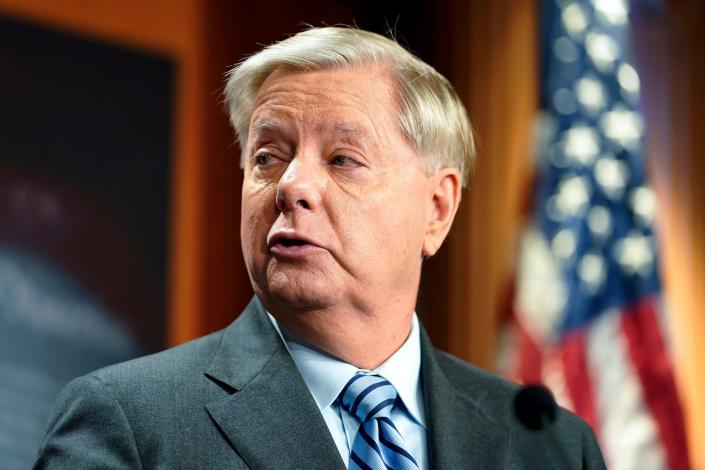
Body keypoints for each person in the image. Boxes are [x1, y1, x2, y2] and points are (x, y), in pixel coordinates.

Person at [34, 26, 606, 469]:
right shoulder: (127, 423)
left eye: (341, 160)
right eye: (268, 157)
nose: (291, 186)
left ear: (437, 208)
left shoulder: (551, 444)